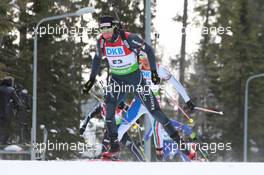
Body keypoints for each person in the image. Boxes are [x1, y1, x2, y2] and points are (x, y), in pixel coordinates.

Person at [83, 16, 194, 158]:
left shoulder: (129, 39)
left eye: (108, 30)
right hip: (117, 81)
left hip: (135, 81)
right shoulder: (102, 41)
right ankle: (114, 147)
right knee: (109, 111)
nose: (106, 34)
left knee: (158, 115)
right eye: (102, 30)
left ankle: (183, 147)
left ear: (115, 28)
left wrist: (154, 72)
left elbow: (149, 50)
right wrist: (92, 78)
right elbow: (98, 58)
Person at [117, 52, 196, 160]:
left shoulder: (160, 69)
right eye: (142, 60)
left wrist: (187, 100)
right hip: (139, 102)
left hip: (153, 101)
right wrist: (120, 100)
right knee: (123, 126)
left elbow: (176, 83)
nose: (145, 63)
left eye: (147, 60)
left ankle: (161, 156)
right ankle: (112, 151)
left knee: (157, 129)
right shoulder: (137, 68)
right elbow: (124, 83)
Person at [80, 101, 145, 161]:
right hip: (109, 130)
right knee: (104, 148)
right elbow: (90, 115)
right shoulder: (100, 107)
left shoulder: (117, 102)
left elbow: (130, 109)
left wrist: (136, 119)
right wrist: (84, 126)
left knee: (131, 146)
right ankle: (106, 162)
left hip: (120, 130)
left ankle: (143, 161)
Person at [0, 77, 23, 145]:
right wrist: (19, 108)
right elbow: (17, 101)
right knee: (7, 127)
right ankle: (4, 142)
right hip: (7, 112)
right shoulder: (11, 90)